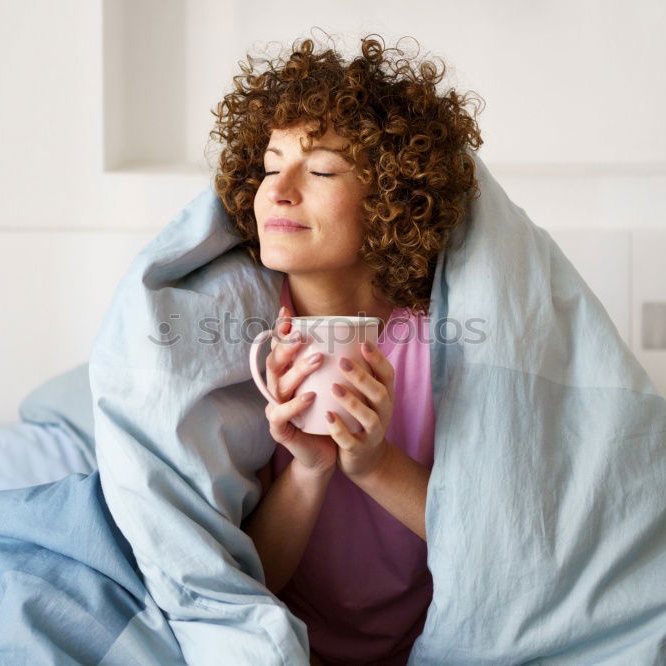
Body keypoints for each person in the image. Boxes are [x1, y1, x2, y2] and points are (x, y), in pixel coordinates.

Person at [210, 32, 483, 665]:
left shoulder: (442, 337)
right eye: (271, 166)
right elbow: (249, 586)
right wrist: (310, 467)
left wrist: (374, 463)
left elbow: (490, 544)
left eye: (323, 168)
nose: (280, 189)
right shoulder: (242, 327)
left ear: (392, 199)